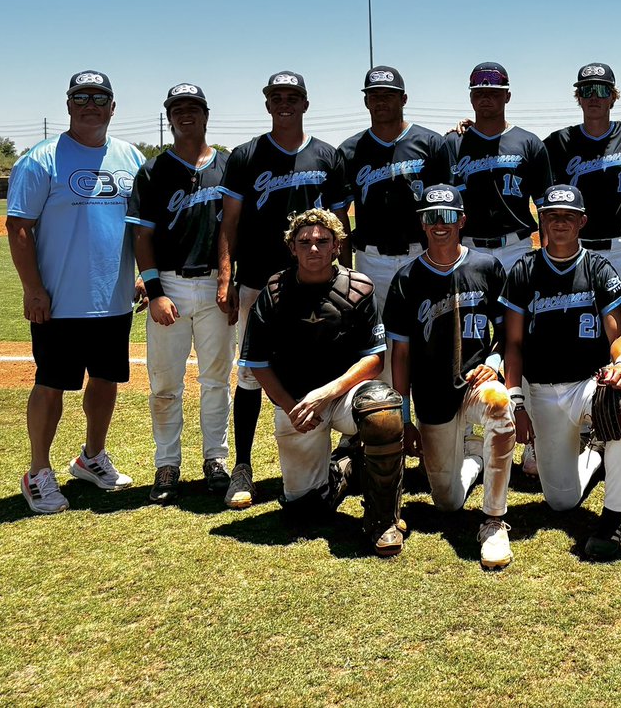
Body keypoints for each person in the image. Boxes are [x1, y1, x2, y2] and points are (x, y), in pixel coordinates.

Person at [6, 70, 146, 514]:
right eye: (81, 97)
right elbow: (19, 227)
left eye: (99, 97)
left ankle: (91, 457)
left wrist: (144, 274)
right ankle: (38, 471)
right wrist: (33, 288)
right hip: (59, 301)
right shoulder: (41, 159)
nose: (90, 104)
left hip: (113, 298)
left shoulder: (131, 157)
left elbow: (140, 227)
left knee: (105, 382)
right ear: (68, 105)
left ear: (112, 106)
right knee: (50, 384)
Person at [237, 209, 406, 557]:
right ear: (292, 248)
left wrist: (327, 393)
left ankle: (382, 520)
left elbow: (375, 358)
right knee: (304, 511)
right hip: (296, 403)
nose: (313, 248)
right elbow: (257, 362)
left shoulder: (359, 287)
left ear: (336, 246)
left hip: (342, 396)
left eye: (322, 241)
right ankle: (346, 466)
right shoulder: (273, 291)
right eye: (304, 242)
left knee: (381, 410)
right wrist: (290, 405)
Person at [217, 71, 348, 510]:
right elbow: (229, 222)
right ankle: (243, 466)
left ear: (305, 104)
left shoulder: (327, 155)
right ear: (267, 103)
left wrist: (343, 282)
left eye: (293, 97)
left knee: (328, 365)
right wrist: (225, 277)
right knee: (252, 372)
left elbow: (339, 226)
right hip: (258, 280)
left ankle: (338, 455)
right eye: (277, 97)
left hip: (316, 283)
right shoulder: (246, 155)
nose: (285, 103)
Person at [500, 184, 621, 560]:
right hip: (541, 390)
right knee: (562, 502)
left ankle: (612, 520)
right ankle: (594, 454)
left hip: (589, 383)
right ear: (541, 221)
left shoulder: (597, 267)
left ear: (582, 221)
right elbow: (512, 345)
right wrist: (517, 403)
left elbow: (619, 335)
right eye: (551, 216)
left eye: (568, 216)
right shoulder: (524, 270)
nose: (559, 223)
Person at [384, 184, 515, 569]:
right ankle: (474, 458)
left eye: (446, 216)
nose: (439, 224)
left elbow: (507, 331)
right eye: (430, 218)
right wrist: (404, 417)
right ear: (422, 225)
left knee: (500, 407)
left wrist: (495, 361)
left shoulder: (487, 267)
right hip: (431, 395)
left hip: (477, 383)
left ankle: (493, 521)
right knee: (447, 501)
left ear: (461, 220)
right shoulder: (407, 278)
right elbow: (401, 355)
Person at [127, 84, 234, 503]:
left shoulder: (226, 167)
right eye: (177, 109)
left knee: (215, 381)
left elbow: (233, 230)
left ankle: (216, 460)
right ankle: (166, 464)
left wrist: (228, 281)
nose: (185, 115)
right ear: (169, 117)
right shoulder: (153, 171)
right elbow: (142, 236)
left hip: (213, 285)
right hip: (168, 284)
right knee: (165, 384)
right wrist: (154, 291)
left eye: (192, 108)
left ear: (206, 114)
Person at [543, 63, 621, 472]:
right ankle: (591, 430)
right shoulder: (558, 143)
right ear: (578, 95)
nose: (594, 95)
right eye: (586, 88)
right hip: (574, 253)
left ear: (613, 94)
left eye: (601, 88)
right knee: (579, 341)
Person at [338, 65, 451, 319]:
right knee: (378, 337)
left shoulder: (431, 143)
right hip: (371, 259)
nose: (380, 102)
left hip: (422, 253)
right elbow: (340, 216)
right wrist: (345, 270)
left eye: (388, 95)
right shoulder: (349, 150)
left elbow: (446, 206)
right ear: (366, 101)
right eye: (374, 95)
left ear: (404, 99)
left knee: (427, 329)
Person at [446, 62, 553, 274]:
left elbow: (545, 210)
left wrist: (549, 260)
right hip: (468, 248)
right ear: (471, 98)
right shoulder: (452, 143)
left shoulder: (529, 143)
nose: (486, 99)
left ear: (508, 97)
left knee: (518, 308)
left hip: (517, 247)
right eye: (479, 93)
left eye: (494, 93)